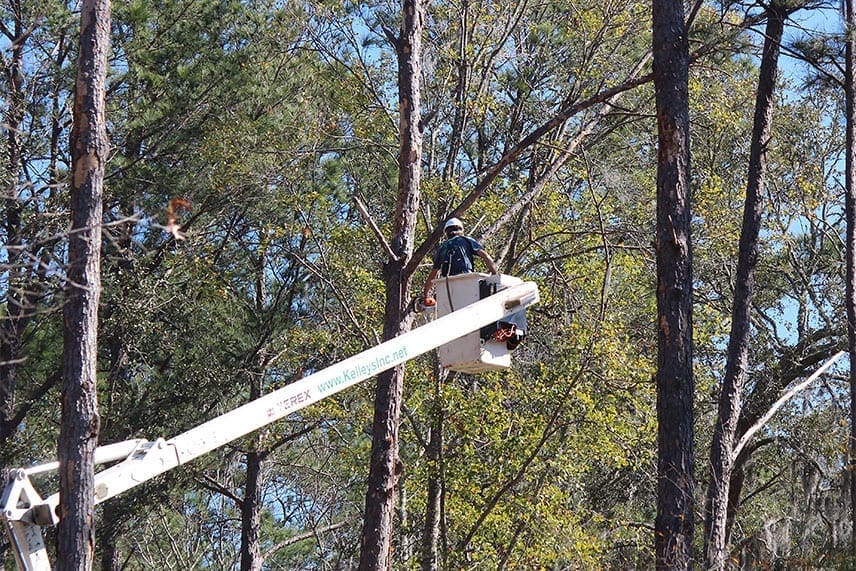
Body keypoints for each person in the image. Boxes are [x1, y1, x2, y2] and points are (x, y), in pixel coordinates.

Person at [420, 217, 498, 301]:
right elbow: (485, 256)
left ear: (447, 232)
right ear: (461, 230)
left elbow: (433, 274)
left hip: (447, 284)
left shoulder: (443, 247)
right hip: (467, 279)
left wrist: (425, 294)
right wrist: (495, 275)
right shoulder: (466, 240)